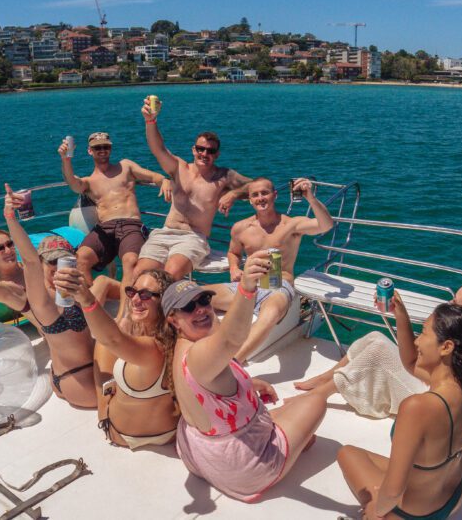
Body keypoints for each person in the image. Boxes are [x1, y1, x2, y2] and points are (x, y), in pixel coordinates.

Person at [161, 251, 329, 502]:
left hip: (199, 455)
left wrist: (249, 385)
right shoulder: (199, 355)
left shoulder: (180, 348)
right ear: (173, 320)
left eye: (204, 300)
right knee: (315, 402)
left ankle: (291, 437)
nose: (201, 310)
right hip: (242, 467)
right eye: (188, 307)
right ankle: (291, 446)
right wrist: (247, 289)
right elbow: (231, 339)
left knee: (287, 414)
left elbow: (210, 383)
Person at [337, 303, 462, 520]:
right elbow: (410, 361)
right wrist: (401, 314)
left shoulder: (416, 407)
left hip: (415, 512)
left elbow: (393, 492)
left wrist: (376, 509)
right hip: (455, 496)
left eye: (423, 333)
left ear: (446, 347)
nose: (417, 341)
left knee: (347, 453)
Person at [293, 282, 462, 418]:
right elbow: (414, 356)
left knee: (378, 351)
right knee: (375, 337)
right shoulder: (452, 330)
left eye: (456, 303)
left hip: (440, 402)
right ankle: (325, 379)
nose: (449, 305)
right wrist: (400, 313)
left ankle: (317, 397)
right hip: (428, 382)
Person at [208, 176, 334, 362]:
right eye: (255, 195)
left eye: (265, 193)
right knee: (198, 296)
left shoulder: (292, 225)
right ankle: (214, 340)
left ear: (274, 195)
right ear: (250, 199)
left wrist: (310, 198)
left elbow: (326, 225)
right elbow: (233, 252)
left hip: (278, 287)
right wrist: (234, 268)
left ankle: (234, 361)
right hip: (248, 286)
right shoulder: (241, 228)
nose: (260, 198)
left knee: (271, 313)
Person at [53, 267, 180, 449]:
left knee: (105, 343)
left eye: (145, 295)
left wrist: (86, 298)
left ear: (164, 302)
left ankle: (102, 409)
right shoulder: (174, 337)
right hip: (169, 432)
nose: (135, 299)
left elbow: (111, 339)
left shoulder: (152, 349)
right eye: (131, 292)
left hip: (125, 435)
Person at [3, 184, 97, 408]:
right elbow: (29, 261)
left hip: (74, 373)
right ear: (43, 263)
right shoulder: (42, 299)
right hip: (76, 378)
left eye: (63, 260)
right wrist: (10, 217)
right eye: (51, 261)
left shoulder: (74, 290)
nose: (57, 267)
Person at [136, 96, 251, 280]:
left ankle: (167, 308)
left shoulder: (224, 176)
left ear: (217, 154)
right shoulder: (179, 168)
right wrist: (150, 121)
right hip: (165, 233)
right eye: (200, 149)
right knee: (140, 275)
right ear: (193, 150)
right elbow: (158, 148)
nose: (204, 154)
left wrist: (234, 194)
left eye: (210, 151)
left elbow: (262, 187)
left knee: (169, 276)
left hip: (193, 238)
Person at [58, 131, 172, 288]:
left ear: (110, 149)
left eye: (105, 146)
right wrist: (66, 160)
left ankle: (125, 309)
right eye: (97, 148)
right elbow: (72, 182)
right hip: (105, 227)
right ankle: (91, 304)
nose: (102, 150)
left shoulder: (126, 166)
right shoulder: (89, 181)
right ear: (90, 151)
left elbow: (154, 177)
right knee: (80, 259)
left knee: (130, 262)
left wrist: (164, 180)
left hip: (130, 225)